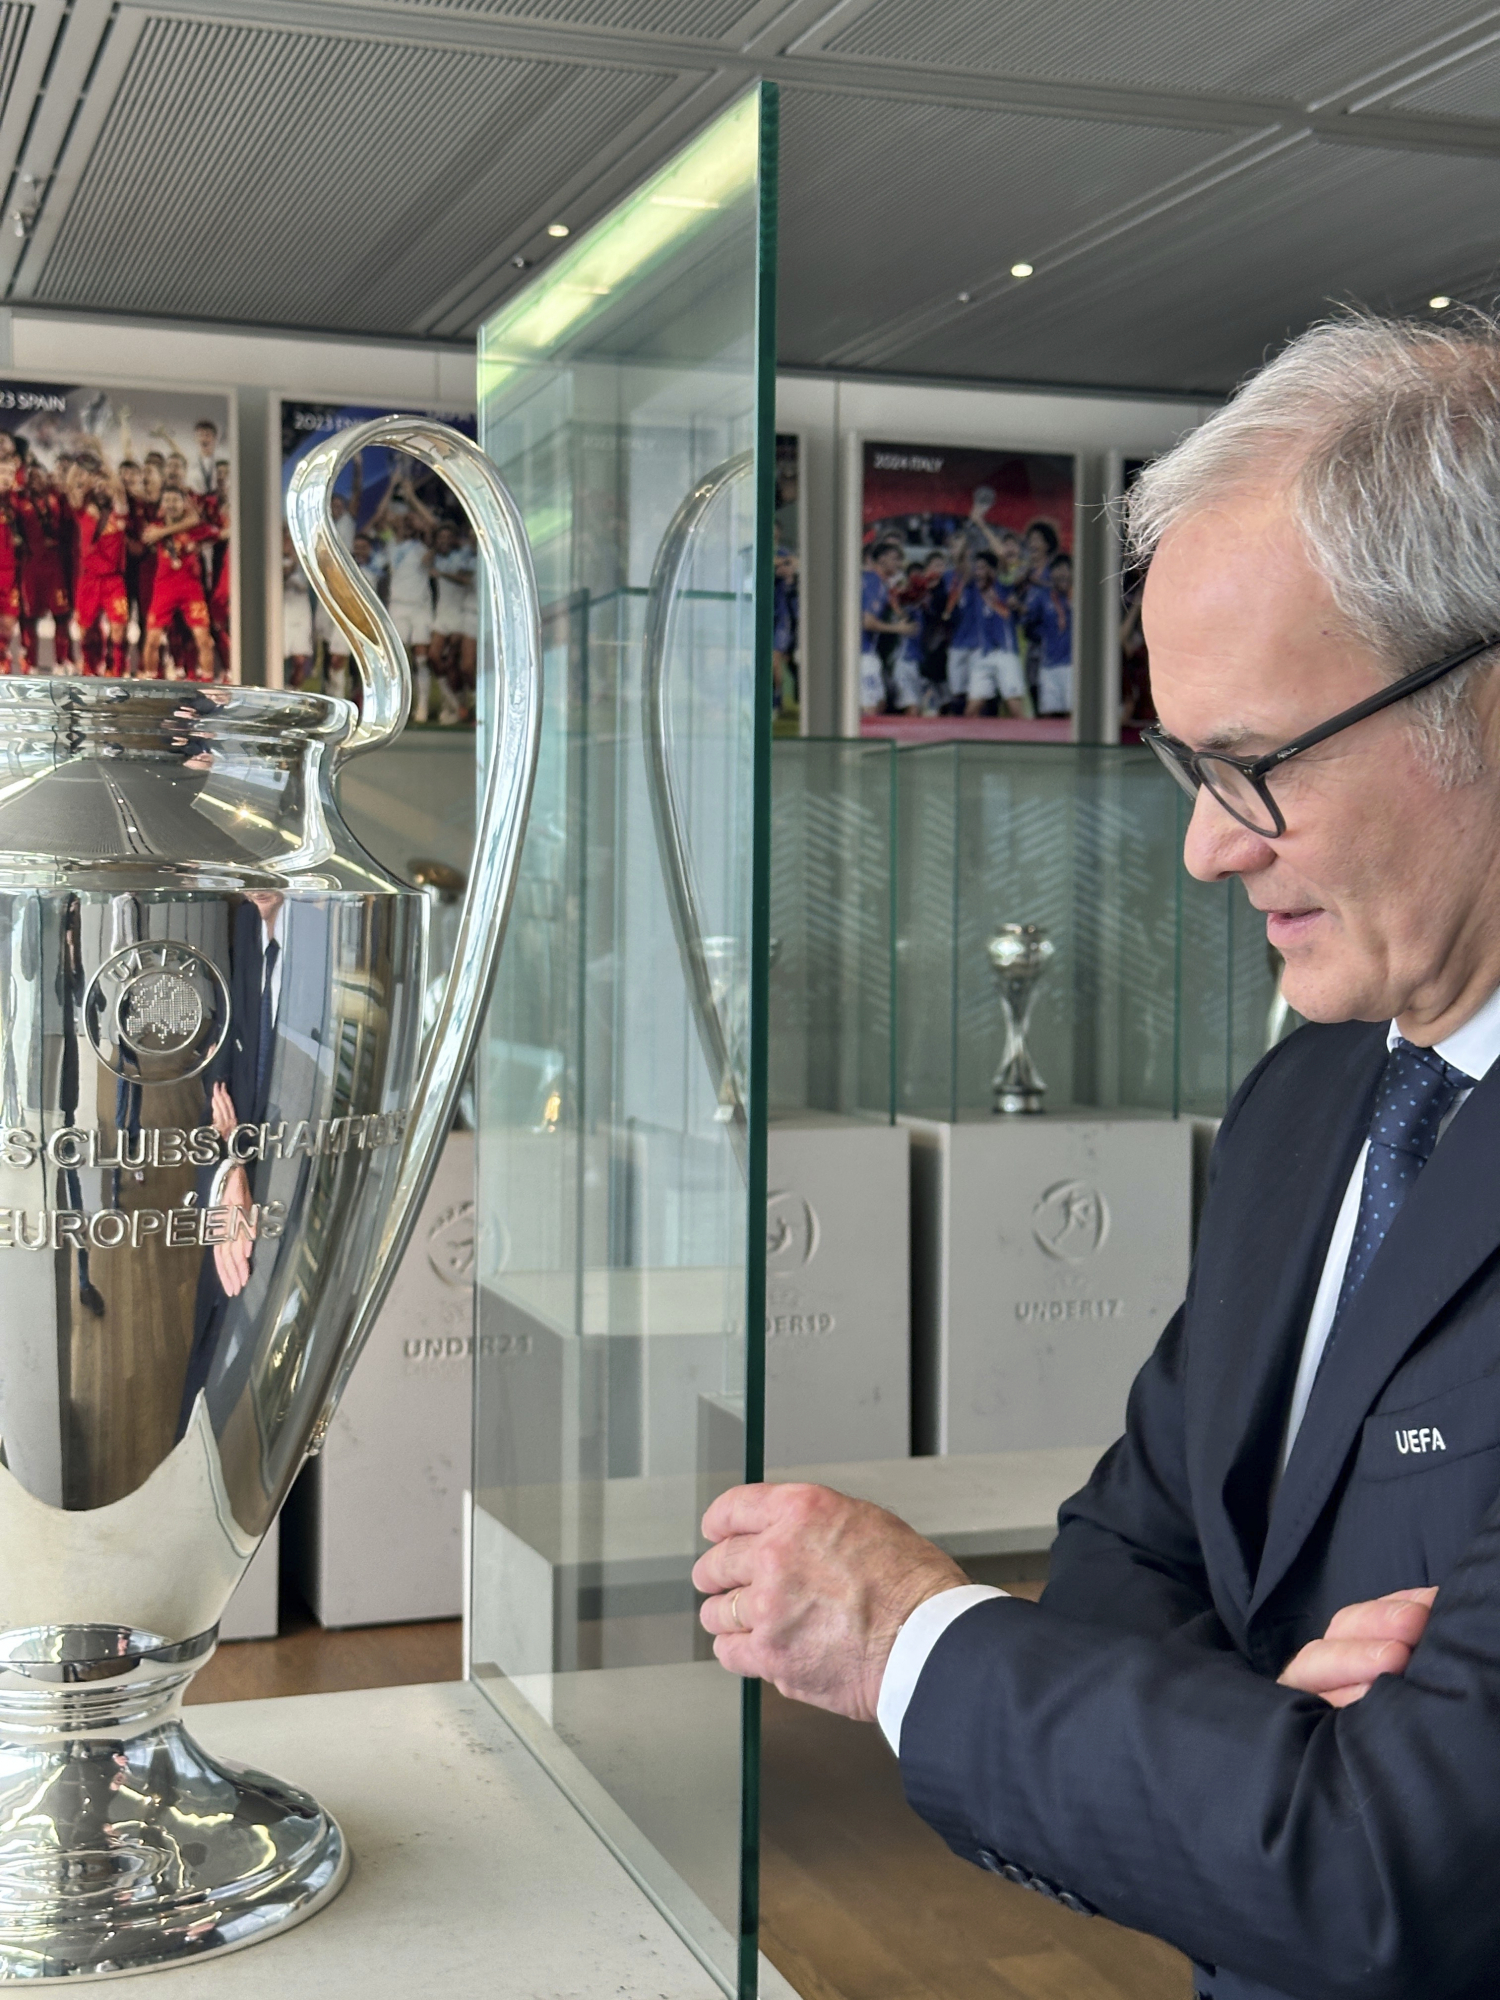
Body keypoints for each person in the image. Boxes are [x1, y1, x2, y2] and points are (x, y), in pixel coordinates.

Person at [694, 313, 1500, 2000]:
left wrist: (909, 1636)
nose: (1206, 846)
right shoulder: (1309, 1104)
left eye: (1253, 767)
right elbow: (1130, 1548)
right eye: (1183, 765)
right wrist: (1264, 1759)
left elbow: (1387, 1874)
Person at [140, 486, 214, 680]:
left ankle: (208, 684)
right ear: (162, 504)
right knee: (152, 640)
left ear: (184, 504)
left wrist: (167, 533)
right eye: (167, 500)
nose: (171, 504)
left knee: (204, 640)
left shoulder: (194, 528)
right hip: (164, 588)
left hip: (191, 588)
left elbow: (210, 530)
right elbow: (148, 536)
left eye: (175, 500)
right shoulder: (153, 526)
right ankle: (149, 681)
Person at [942, 545, 1025, 717]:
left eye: (982, 568)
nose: (977, 572)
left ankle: (1028, 742)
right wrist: (963, 546)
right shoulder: (974, 589)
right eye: (976, 568)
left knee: (1014, 706)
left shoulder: (1002, 585)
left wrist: (981, 524)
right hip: (984, 654)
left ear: (992, 570)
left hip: (1005, 653)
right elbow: (961, 567)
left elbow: (1002, 557)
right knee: (971, 709)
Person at [859, 538, 910, 716]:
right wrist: (898, 629)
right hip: (862, 653)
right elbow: (868, 622)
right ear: (881, 559)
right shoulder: (876, 583)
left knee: (880, 703)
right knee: (871, 709)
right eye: (895, 558)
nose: (899, 563)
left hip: (861, 652)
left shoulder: (867, 579)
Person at [1021, 550, 1073, 716]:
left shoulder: (1081, 598)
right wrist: (1043, 635)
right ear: (1051, 574)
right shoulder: (1043, 598)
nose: (1062, 573)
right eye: (1057, 569)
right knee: (1048, 716)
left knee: (1073, 715)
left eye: (1066, 569)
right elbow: (1028, 626)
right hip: (1048, 666)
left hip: (1074, 667)